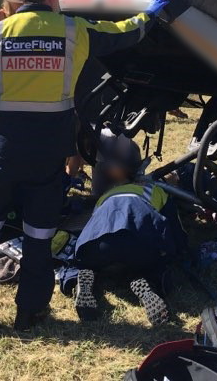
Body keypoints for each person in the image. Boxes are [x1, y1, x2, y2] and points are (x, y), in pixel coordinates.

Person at [0, 0, 170, 333]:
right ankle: (31, 312)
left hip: (1, 152)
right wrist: (148, 16)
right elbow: (121, 34)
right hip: (48, 154)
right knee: (39, 236)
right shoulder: (73, 30)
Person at [64, 135, 186, 326]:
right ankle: (145, 280)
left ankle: (81, 276)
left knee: (82, 261)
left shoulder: (106, 196)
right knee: (148, 264)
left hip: (99, 243)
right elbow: (173, 229)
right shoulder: (155, 190)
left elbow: (93, 224)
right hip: (139, 242)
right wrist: (179, 252)